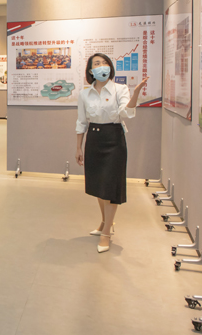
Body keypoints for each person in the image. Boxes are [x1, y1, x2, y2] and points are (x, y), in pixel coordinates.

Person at [75, 53, 148, 253]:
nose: (102, 66)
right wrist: (78, 147)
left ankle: (106, 233)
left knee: (110, 187)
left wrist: (135, 94)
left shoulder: (120, 89)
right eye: (97, 64)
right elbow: (81, 121)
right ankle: (105, 222)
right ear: (91, 70)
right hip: (94, 139)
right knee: (99, 185)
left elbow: (126, 112)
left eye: (105, 63)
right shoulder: (84, 94)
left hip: (114, 139)